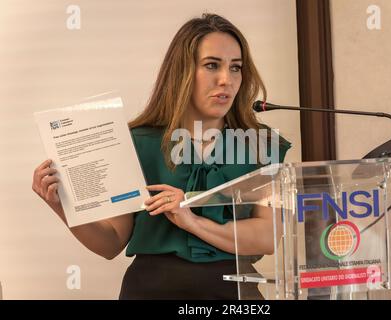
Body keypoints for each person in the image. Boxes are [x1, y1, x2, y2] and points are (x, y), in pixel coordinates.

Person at [32, 13, 291, 300]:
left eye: (235, 68)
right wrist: (62, 206)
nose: (226, 80)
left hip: (234, 293)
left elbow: (268, 237)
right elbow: (111, 243)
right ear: (182, 71)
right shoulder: (136, 142)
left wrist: (191, 220)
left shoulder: (259, 144)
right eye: (212, 65)